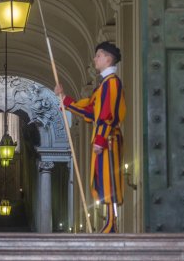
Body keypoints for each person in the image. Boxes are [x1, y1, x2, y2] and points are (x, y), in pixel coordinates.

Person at [55, 41, 126, 233]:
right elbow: (90, 110)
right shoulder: (104, 85)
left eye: (98, 56)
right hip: (104, 138)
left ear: (108, 58)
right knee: (101, 180)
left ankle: (112, 223)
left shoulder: (111, 83)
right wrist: (65, 99)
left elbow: (107, 114)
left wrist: (100, 139)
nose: (95, 59)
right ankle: (109, 222)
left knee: (109, 179)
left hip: (108, 140)